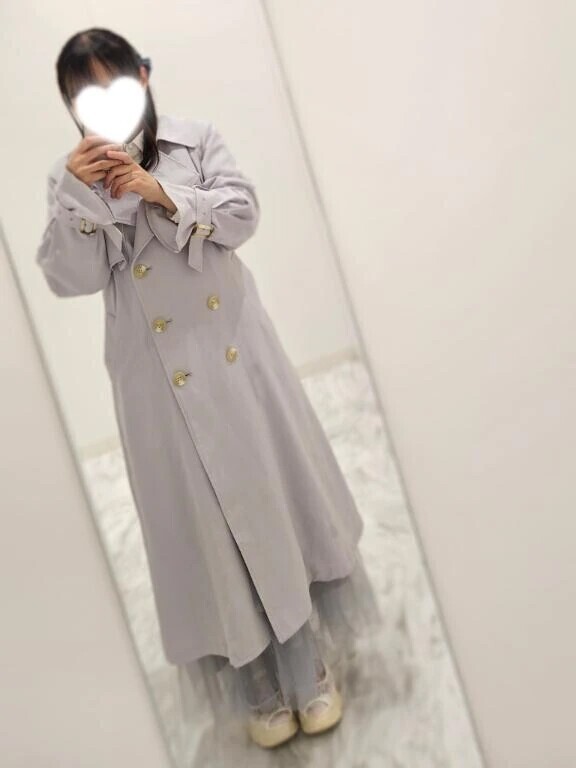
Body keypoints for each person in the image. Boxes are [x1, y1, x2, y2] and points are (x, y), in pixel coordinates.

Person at [36, 28, 383, 750]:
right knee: (201, 527)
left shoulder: (194, 140)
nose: (99, 102)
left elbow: (243, 214)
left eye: (111, 81)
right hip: (153, 378)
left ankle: (305, 662)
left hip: (230, 355)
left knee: (267, 499)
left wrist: (158, 191)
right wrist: (80, 196)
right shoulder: (69, 182)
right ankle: (254, 678)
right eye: (81, 93)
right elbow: (69, 278)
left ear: (143, 75)